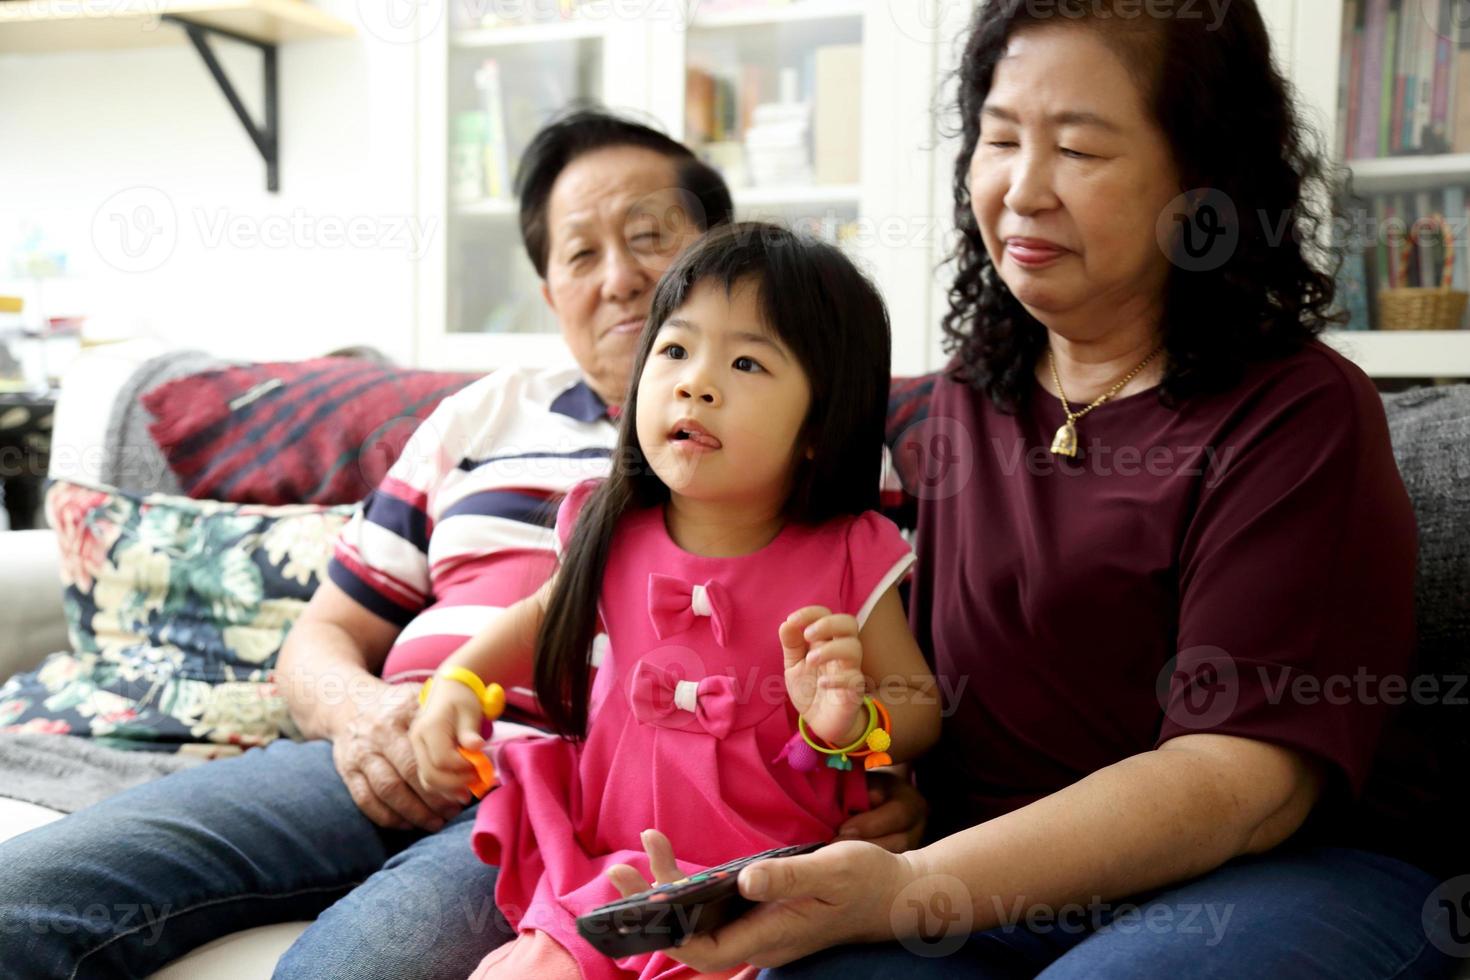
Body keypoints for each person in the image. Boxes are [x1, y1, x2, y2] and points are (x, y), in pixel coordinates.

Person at [606, 4, 1459, 978]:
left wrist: (913, 884)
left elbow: (1238, 780)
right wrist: (872, 764)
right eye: (1000, 138)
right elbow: (909, 680)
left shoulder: (1298, 415)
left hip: (1275, 872)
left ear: (1201, 184)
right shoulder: (971, 392)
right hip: (985, 870)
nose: (1022, 189)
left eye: (1080, 151)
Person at [0, 110, 922, 980]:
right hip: (384, 742)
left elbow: (881, 698)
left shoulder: (827, 474)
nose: (619, 278)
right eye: (580, 252)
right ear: (549, 287)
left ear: (721, 249)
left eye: (649, 239)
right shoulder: (475, 414)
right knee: (25, 901)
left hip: (563, 793)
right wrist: (377, 719)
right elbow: (322, 635)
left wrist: (872, 761)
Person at [409, 222, 941, 980]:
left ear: (821, 425)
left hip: (766, 898)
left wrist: (852, 725)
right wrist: (454, 687)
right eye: (675, 350)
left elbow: (918, 708)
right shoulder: (613, 524)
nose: (697, 382)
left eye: (748, 361)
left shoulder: (851, 551)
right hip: (606, 877)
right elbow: (535, 625)